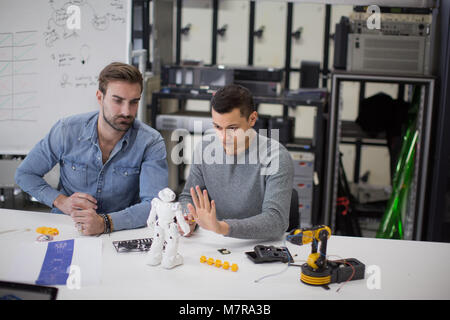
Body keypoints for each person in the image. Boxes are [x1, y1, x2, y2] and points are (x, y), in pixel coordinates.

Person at [15, 62, 168, 236]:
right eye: (117, 101)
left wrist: (106, 223)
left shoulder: (150, 142)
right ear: (99, 97)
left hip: (121, 231)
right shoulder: (67, 130)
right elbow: (25, 174)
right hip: (68, 227)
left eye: (134, 102)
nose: (127, 111)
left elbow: (155, 205)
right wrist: (60, 201)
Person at [178, 84, 294, 240]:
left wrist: (222, 227)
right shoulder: (205, 149)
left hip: (259, 245)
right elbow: (188, 197)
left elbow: (276, 221)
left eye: (232, 128)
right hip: (216, 241)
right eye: (218, 127)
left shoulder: (276, 156)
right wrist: (189, 217)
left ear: (252, 119)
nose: (224, 138)